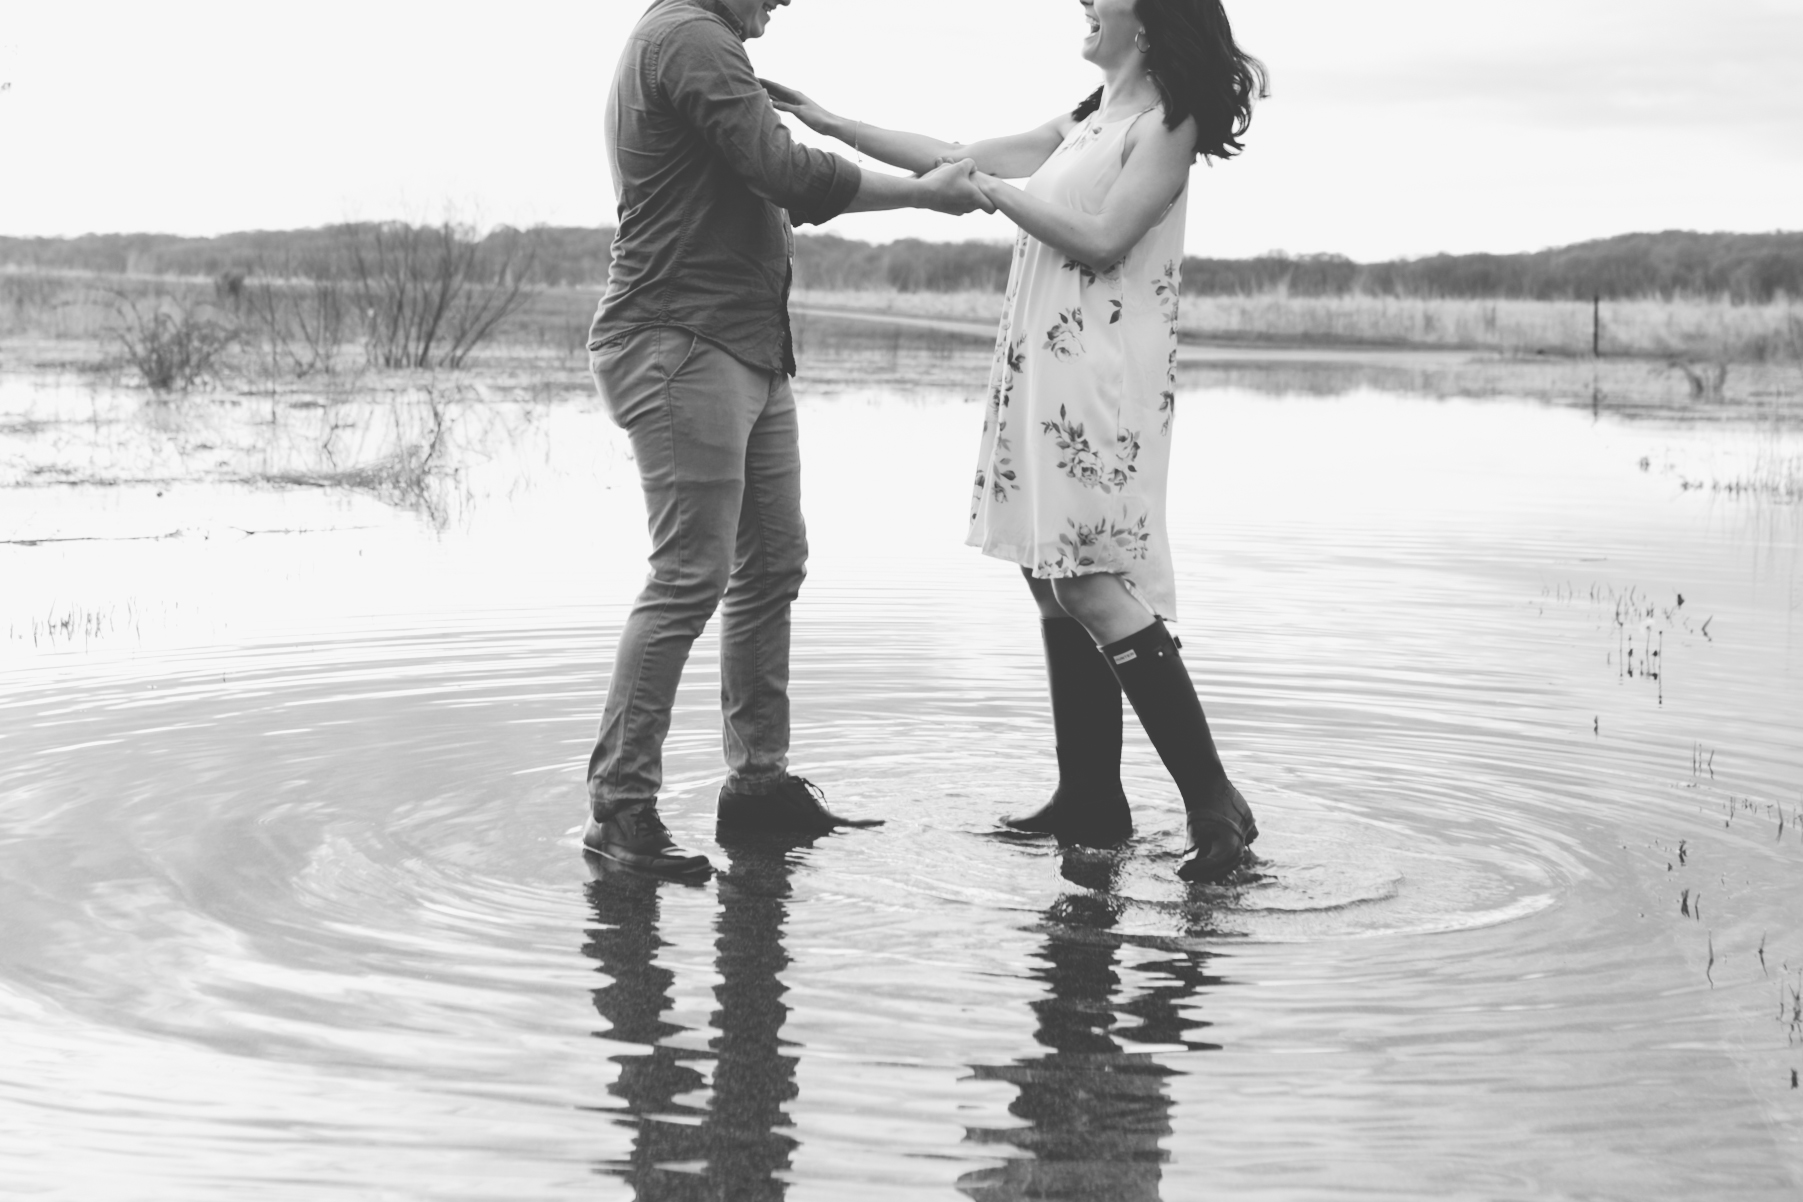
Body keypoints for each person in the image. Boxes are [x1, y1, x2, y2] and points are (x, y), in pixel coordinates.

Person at [766, 0, 1267, 882]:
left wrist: (994, 193)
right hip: (1042, 363)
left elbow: (1106, 239)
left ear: (1146, 16)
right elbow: (949, 155)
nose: (1082, 1)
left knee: (1089, 580)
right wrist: (826, 119)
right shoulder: (1084, 118)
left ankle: (1213, 798)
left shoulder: (1166, 123)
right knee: (1051, 579)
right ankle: (1090, 799)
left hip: (1099, 374)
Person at [584, 0, 993, 877]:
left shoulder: (707, 44)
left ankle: (758, 789)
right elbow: (784, 172)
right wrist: (921, 194)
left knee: (770, 561)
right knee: (690, 573)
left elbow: (769, 179)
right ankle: (619, 812)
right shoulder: (690, 39)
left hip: (745, 347)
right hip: (679, 342)